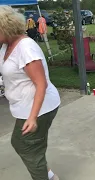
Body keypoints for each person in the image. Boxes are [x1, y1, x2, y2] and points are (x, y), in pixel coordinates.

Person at [0, 6, 60, 180]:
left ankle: (45, 176)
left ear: (4, 27)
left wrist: (32, 118)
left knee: (27, 146)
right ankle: (49, 175)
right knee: (27, 145)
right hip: (25, 107)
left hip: (39, 108)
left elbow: (41, 84)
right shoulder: (6, 46)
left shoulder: (25, 48)